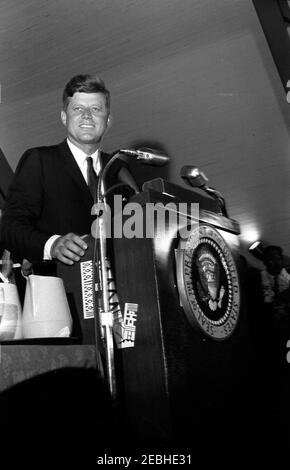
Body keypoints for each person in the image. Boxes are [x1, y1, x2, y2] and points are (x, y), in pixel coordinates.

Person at [0, 74, 138, 273]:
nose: (87, 116)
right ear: (64, 117)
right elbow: (11, 227)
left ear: (108, 120)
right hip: (61, 291)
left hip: (119, 292)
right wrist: (53, 245)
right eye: (78, 109)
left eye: (96, 109)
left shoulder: (118, 170)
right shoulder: (40, 160)